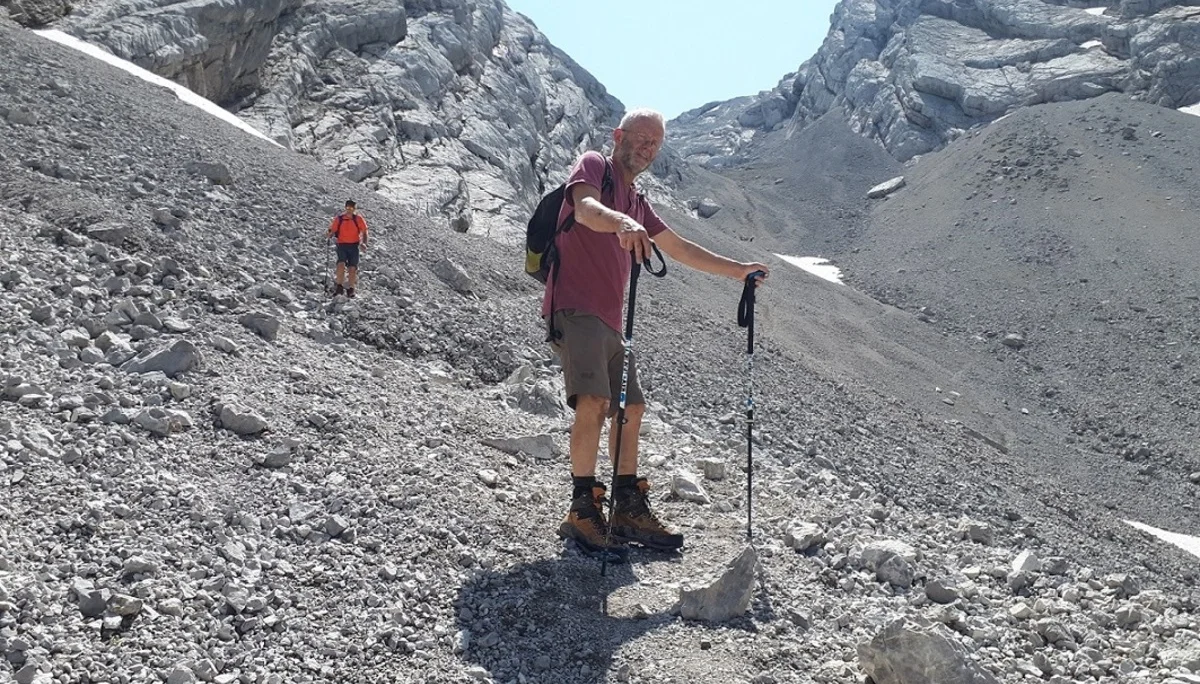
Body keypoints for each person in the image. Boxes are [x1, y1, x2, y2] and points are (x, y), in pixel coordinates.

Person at [542, 108, 769, 559]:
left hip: (608, 317)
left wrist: (738, 270)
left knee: (633, 407)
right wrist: (622, 222)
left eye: (655, 145)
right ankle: (582, 507)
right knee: (595, 400)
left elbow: (680, 248)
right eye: (641, 139)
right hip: (575, 306)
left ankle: (626, 504)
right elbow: (585, 210)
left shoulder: (638, 199)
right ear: (619, 135)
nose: (646, 149)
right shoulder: (594, 166)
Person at [326, 200, 368, 298]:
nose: (349, 210)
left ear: (355, 209)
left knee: (352, 268)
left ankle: (351, 289)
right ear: (345, 208)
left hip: (354, 246)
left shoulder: (358, 219)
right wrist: (329, 234)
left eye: (351, 208)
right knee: (341, 265)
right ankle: (339, 287)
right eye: (348, 208)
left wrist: (364, 243)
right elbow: (332, 231)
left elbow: (365, 232)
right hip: (342, 245)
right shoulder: (339, 219)